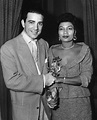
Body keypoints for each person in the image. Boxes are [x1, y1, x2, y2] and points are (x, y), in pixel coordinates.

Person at [0, 8, 56, 120]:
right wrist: (44, 80)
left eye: (39, 23)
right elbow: (11, 81)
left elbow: (47, 72)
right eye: (31, 22)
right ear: (23, 23)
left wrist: (52, 95)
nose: (36, 28)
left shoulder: (44, 44)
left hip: (45, 108)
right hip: (25, 111)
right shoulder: (8, 47)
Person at [48, 13, 93, 120]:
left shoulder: (85, 50)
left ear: (75, 32)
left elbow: (86, 79)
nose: (65, 32)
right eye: (61, 29)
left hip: (80, 103)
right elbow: (50, 77)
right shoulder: (51, 50)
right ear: (58, 33)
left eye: (69, 28)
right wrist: (51, 96)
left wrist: (60, 80)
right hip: (59, 106)